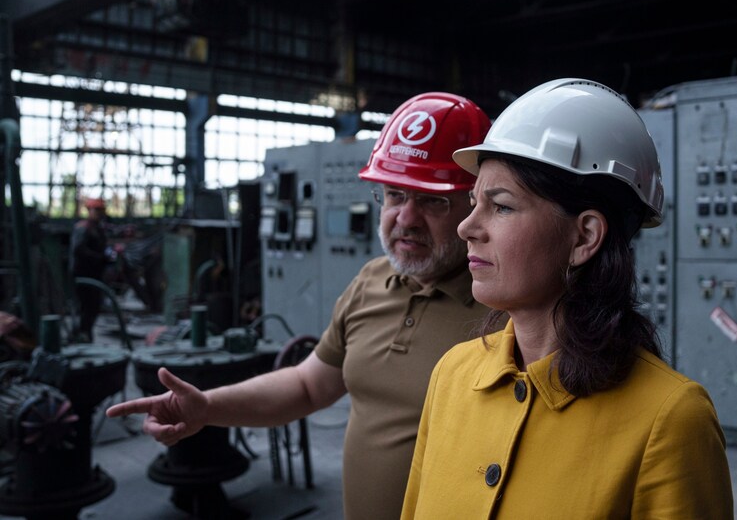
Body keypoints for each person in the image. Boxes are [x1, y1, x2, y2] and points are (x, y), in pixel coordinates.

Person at [107, 92, 495, 519]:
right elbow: (309, 386)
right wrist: (209, 407)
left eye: (432, 200)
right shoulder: (371, 282)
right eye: (394, 195)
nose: (405, 217)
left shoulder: (505, 309)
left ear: (476, 205)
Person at [401, 78, 734, 519]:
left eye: (501, 206)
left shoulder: (670, 421)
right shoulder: (452, 376)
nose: (468, 227)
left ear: (585, 237)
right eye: (473, 201)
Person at [69, 197, 115, 342]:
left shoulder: (98, 229)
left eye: (101, 210)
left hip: (95, 273)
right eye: (97, 210)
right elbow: (79, 249)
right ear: (89, 210)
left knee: (94, 306)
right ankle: (81, 334)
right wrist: (100, 258)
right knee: (85, 307)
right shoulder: (83, 228)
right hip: (83, 274)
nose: (100, 214)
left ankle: (86, 334)